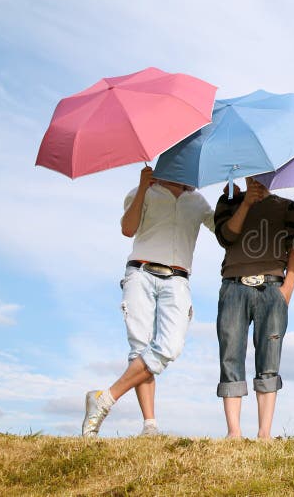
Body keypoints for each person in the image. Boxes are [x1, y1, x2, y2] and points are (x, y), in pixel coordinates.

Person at [83, 166, 214, 437]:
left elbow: (224, 232)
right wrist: (143, 186)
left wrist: (234, 200)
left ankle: (104, 399)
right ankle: (150, 425)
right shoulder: (143, 192)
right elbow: (127, 229)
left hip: (177, 279)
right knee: (139, 347)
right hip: (140, 273)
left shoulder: (198, 201)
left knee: (170, 346)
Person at [213, 176, 294, 439]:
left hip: (272, 287)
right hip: (233, 286)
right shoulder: (228, 201)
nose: (257, 177)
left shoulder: (287, 205)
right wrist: (245, 203)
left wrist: (288, 288)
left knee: (269, 359)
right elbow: (226, 237)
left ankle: (265, 433)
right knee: (230, 355)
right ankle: (234, 431)